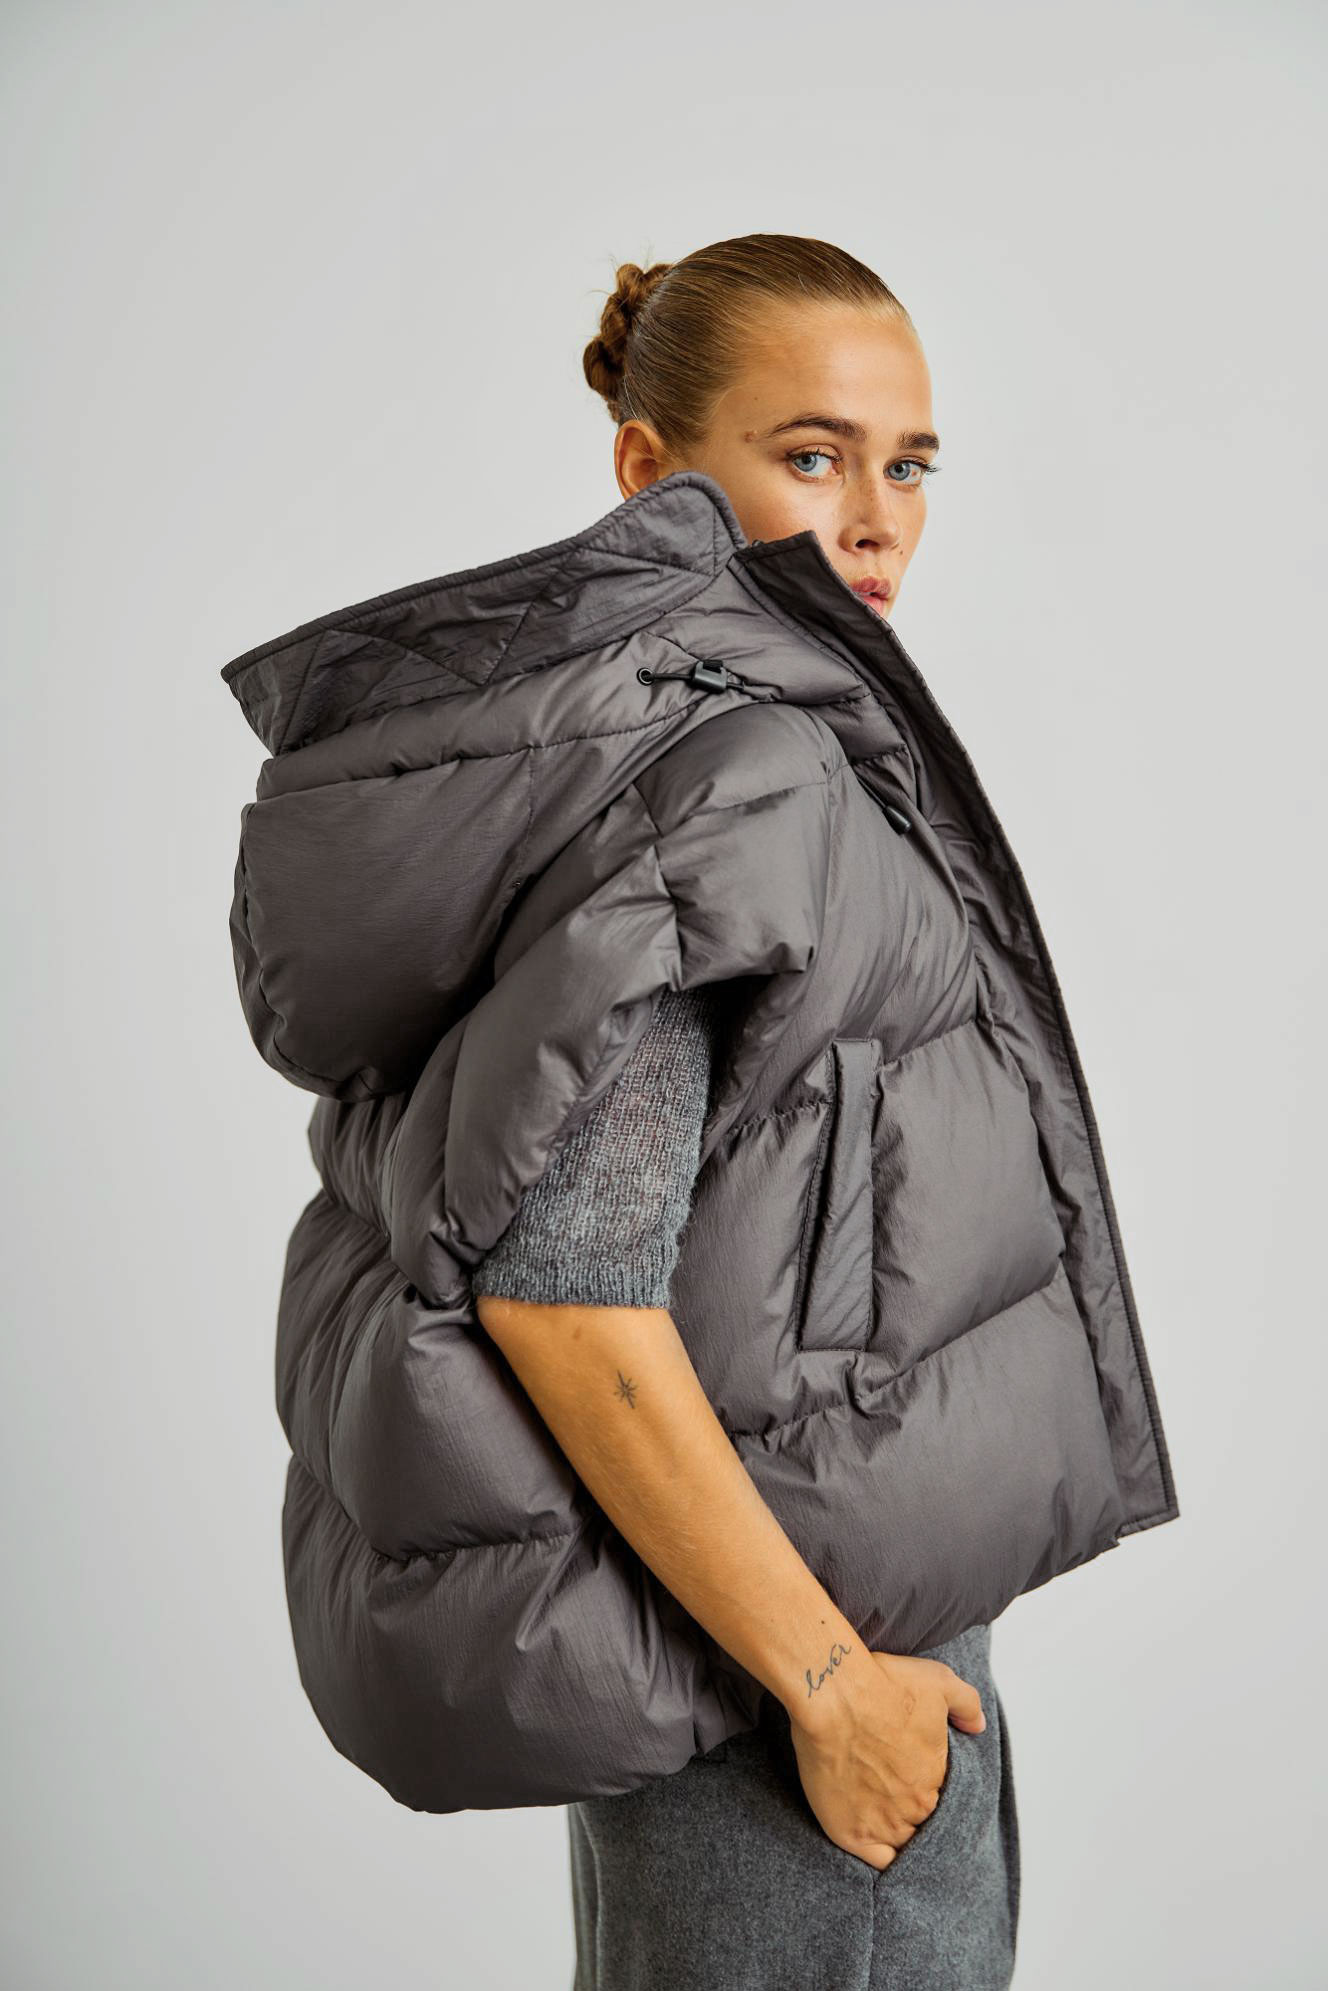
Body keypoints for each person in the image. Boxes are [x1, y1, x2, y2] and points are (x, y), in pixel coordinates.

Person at [470, 241, 1017, 1988]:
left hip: (816, 1669)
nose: (874, 520)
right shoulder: (703, 800)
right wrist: (835, 1691)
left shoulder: (770, 758)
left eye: (907, 464)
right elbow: (564, 1295)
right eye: (811, 455)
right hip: (785, 1727)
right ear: (651, 475)